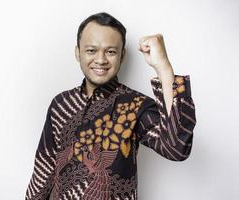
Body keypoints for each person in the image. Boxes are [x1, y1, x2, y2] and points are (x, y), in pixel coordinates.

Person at [25, 12, 196, 200]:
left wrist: (163, 66)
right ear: (78, 52)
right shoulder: (61, 104)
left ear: (122, 55)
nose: (101, 60)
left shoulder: (136, 106)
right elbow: (43, 170)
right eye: (91, 50)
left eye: (111, 51)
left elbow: (176, 148)